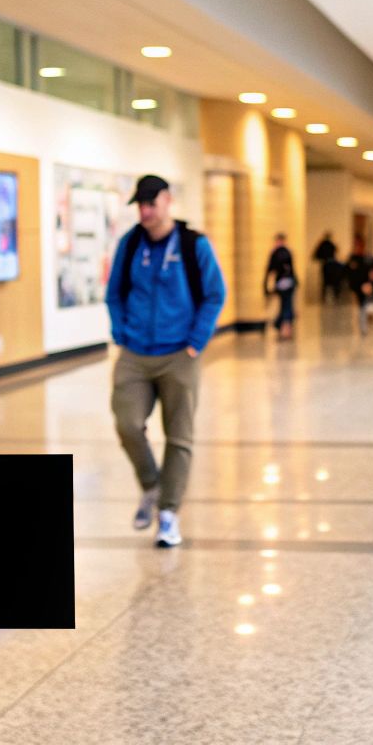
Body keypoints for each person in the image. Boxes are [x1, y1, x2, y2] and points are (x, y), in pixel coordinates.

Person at [106, 174, 227, 548]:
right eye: (139, 206)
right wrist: (121, 332)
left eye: (150, 204)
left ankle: (169, 514)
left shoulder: (194, 245)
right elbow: (114, 294)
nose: (145, 212)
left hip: (179, 354)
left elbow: (214, 294)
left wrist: (196, 342)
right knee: (127, 422)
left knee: (179, 436)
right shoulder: (130, 244)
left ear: (167, 201)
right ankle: (151, 485)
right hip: (136, 352)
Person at [345, 240, 373, 335]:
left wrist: (371, 281)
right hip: (357, 286)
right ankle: (364, 325)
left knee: (365, 304)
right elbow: (348, 272)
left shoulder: (369, 258)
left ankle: (366, 323)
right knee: (362, 305)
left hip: (367, 285)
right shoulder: (353, 258)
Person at [264, 233, 297, 339]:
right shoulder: (288, 252)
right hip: (288, 282)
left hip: (282, 283)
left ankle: (283, 328)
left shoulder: (276, 253)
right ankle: (284, 327)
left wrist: (265, 285)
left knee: (285, 305)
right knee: (287, 305)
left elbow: (269, 270)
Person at [313, 231, 342, 303]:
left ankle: (326, 297)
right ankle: (334, 296)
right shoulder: (330, 244)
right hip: (330, 264)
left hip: (326, 264)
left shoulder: (323, 244)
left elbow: (316, 255)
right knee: (332, 281)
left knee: (326, 282)